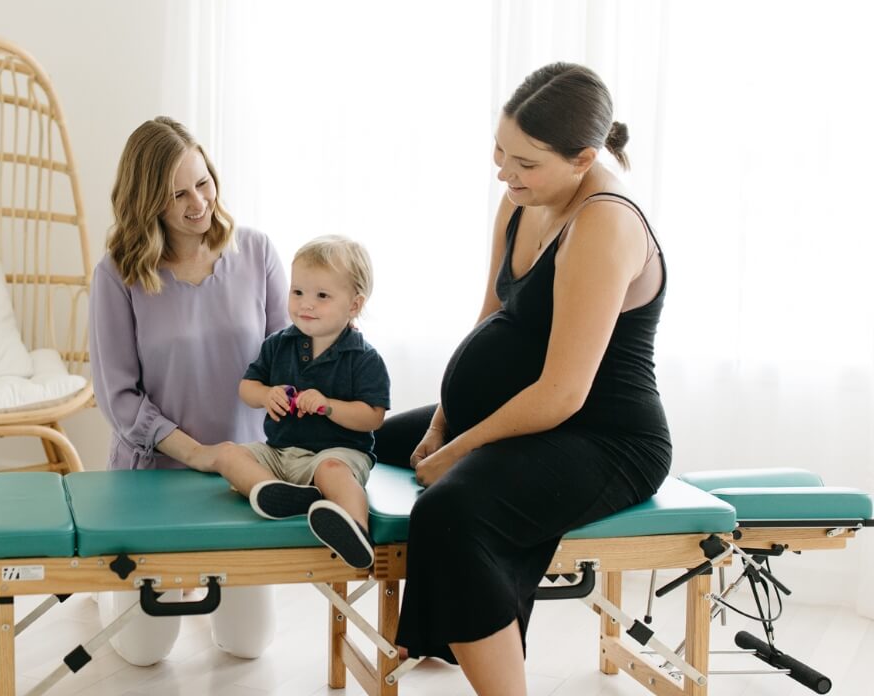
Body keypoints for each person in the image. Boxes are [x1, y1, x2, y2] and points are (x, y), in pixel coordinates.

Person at [372, 63, 671, 696]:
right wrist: (441, 421)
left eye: (525, 163)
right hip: (532, 415)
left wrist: (458, 452)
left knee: (452, 510)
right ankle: (446, 626)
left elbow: (565, 392)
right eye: (500, 153)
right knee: (386, 442)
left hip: (605, 436)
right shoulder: (521, 202)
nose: (506, 174)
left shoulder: (604, 222)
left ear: (583, 158)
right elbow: (489, 322)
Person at [88, 115, 287, 665]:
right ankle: (105, 596)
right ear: (147, 200)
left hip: (245, 475)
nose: (198, 202)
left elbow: (285, 356)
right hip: (157, 476)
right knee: (143, 652)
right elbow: (118, 395)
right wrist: (198, 453)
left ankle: (203, 583)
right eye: (177, 194)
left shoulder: (257, 252)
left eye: (203, 182)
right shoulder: (117, 275)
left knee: (248, 645)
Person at [195, 235, 390, 569]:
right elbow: (247, 387)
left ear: (354, 305)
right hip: (281, 454)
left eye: (322, 296)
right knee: (227, 454)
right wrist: (265, 395)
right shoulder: (279, 344)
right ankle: (275, 493)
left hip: (337, 454)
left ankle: (356, 532)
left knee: (333, 472)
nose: (305, 304)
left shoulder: (363, 358)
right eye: (297, 292)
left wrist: (329, 405)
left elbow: (372, 417)